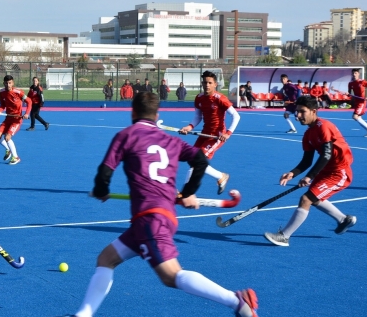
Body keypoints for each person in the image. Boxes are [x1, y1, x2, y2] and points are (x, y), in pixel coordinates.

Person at [74, 92, 258, 317]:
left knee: (171, 276)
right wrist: (189, 192)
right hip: (157, 218)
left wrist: (102, 192)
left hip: (150, 219)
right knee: (106, 258)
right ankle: (83, 314)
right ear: (157, 114)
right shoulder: (171, 141)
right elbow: (200, 160)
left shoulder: (126, 135)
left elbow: (104, 173)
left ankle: (236, 301)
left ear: (132, 112)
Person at [263, 96, 356, 246]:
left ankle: (284, 236)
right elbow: (307, 161)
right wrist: (293, 173)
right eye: (297, 112)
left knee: (306, 199)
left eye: (302, 112)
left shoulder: (323, 126)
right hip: (325, 170)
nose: (298, 115)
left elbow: (327, 154)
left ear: (314, 111)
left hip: (339, 172)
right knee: (315, 198)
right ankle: (344, 220)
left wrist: (309, 177)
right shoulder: (308, 134)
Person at [179, 70, 240, 194]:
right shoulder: (199, 98)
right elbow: (198, 116)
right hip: (204, 133)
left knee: (198, 162)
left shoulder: (220, 98)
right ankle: (220, 176)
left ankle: (186, 193)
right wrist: (190, 127)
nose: (207, 85)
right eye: (205, 82)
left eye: (210, 83)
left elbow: (236, 116)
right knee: (192, 160)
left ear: (215, 84)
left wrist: (228, 133)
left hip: (217, 136)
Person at [0, 75, 31, 164]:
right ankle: (8, 150)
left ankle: (16, 157)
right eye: (6, 83)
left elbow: (29, 101)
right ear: (3, 83)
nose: (8, 85)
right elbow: (2, 105)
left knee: (7, 137)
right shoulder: (2, 92)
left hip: (17, 120)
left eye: (10, 83)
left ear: (13, 83)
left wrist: (26, 113)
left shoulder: (19, 92)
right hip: (8, 119)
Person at [347, 68, 367, 136]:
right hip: (356, 102)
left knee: (355, 116)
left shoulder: (362, 82)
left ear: (358, 74)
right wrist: (348, 94)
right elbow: (349, 93)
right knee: (359, 117)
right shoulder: (350, 83)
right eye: (353, 73)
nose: (354, 75)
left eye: (355, 73)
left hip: (361, 102)